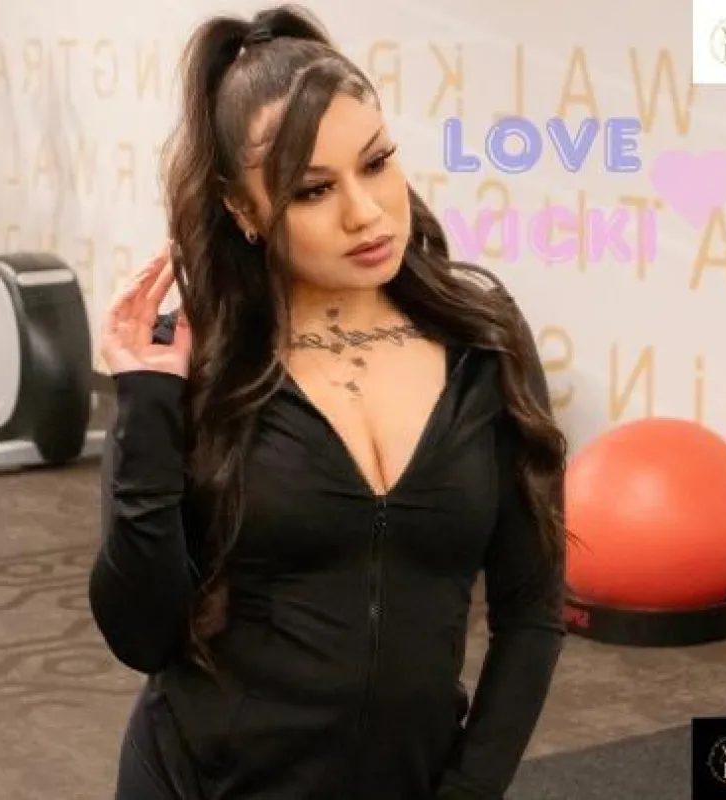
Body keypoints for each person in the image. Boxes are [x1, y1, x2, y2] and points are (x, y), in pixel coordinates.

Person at [89, 5, 569, 798]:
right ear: (242, 209)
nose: (365, 212)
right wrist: (143, 404)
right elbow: (141, 636)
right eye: (312, 190)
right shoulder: (193, 364)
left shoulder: (482, 343)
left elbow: (531, 612)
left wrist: (468, 789)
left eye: (376, 162)